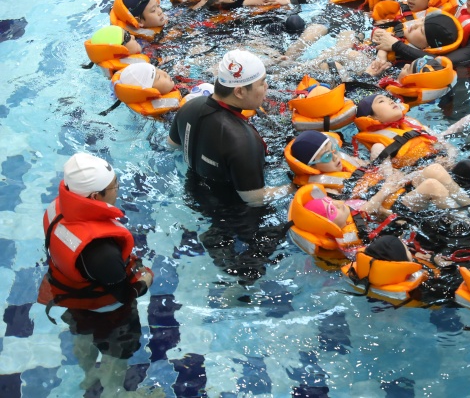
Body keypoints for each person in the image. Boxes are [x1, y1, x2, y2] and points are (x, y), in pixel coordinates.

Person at [37, 153, 157, 396]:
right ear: (95, 196)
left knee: (82, 335)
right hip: (109, 313)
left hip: (73, 298)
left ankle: (89, 373)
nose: (117, 191)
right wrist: (144, 281)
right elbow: (123, 294)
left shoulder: (57, 208)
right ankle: (115, 391)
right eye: (114, 186)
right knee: (118, 352)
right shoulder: (101, 251)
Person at [167, 49, 290, 206]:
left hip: (191, 191)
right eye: (261, 83)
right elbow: (255, 199)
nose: (266, 86)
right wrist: (294, 187)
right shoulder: (243, 141)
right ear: (239, 92)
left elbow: (172, 147)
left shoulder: (190, 106)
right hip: (231, 215)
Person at [371, 10, 461, 65]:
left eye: (421, 30)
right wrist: (376, 32)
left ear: (427, 47)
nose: (415, 25)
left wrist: (381, 58)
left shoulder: (410, 62)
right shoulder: (401, 27)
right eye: (421, 20)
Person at [112, 62, 181, 117]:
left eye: (157, 69)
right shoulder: (165, 115)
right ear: (150, 93)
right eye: (158, 77)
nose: (165, 73)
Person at [83, 25, 147, 77]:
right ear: (120, 53)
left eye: (128, 33)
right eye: (127, 37)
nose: (133, 36)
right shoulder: (132, 78)